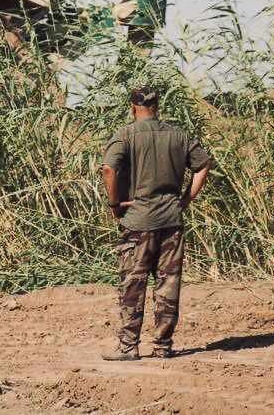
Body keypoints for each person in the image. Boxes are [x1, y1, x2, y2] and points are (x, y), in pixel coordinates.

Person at [100, 87, 212, 361]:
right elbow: (203, 165)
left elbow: (108, 170)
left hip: (138, 221)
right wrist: (186, 199)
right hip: (171, 220)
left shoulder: (125, 135)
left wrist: (115, 204)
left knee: (133, 284)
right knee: (169, 284)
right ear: (157, 106)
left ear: (132, 107)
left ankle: (128, 348)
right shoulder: (178, 135)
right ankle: (163, 346)